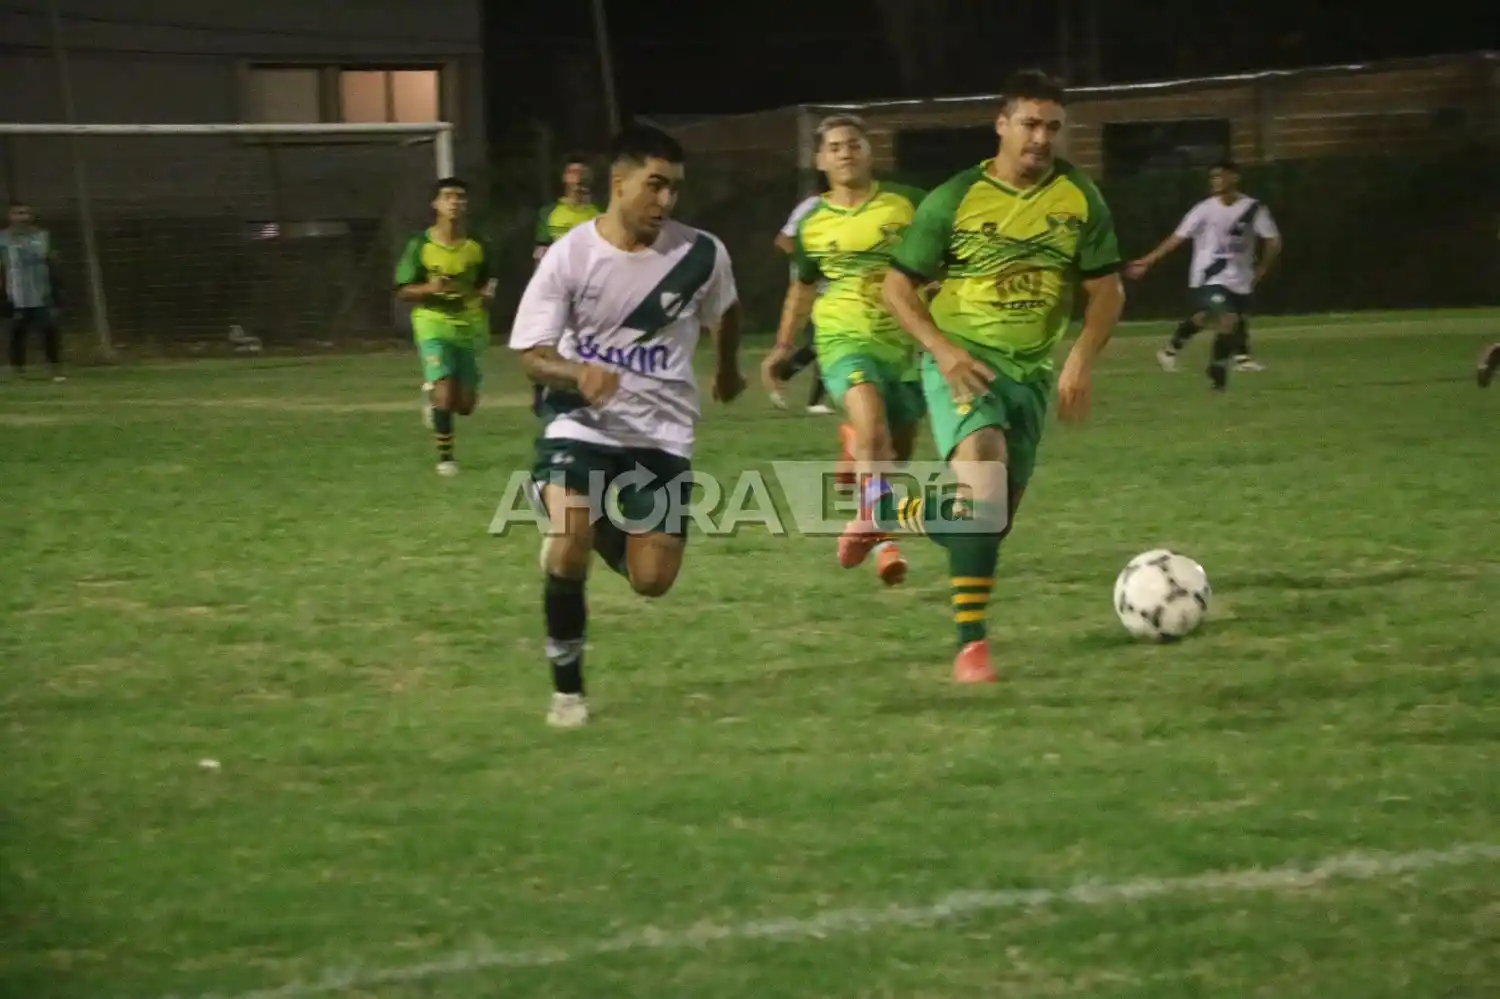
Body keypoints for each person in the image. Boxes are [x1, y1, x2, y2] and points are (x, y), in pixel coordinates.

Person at [871, 69, 1126, 683]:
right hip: (963, 358)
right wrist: (943, 350)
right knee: (982, 491)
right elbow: (895, 287)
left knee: (990, 520)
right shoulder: (954, 197)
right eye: (1031, 124)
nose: (1042, 138)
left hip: (1031, 372)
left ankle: (887, 513)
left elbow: (1107, 290)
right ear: (1002, 125)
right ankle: (971, 648)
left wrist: (1078, 361)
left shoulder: (1080, 197)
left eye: (1053, 127)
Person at [510, 124, 745, 728]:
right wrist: (573, 374)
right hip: (580, 424)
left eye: (674, 190)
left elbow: (728, 310)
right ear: (619, 183)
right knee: (568, 538)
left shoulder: (700, 254)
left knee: (652, 581)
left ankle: (589, 531)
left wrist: (726, 370)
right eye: (655, 186)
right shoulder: (572, 254)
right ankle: (567, 690)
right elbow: (530, 352)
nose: (665, 202)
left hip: (662, 434)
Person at [764, 114, 927, 587]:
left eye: (853, 144)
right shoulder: (812, 221)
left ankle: (854, 450)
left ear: (868, 150)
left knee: (893, 452)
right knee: (872, 421)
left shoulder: (907, 204)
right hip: (842, 339)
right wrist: (781, 346)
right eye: (834, 146)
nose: (845, 152)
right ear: (820, 159)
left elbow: (942, 261)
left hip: (901, 342)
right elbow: (802, 288)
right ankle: (885, 540)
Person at [1125, 160, 1282, 389]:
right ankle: (1221, 367)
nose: (1216, 181)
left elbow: (1273, 240)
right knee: (1228, 318)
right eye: (1213, 177)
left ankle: (1170, 351)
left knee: (1206, 318)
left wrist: (1262, 268)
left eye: (1221, 176)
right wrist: (1147, 261)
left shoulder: (1253, 208)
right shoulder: (1203, 209)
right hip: (1209, 276)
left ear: (1235, 178)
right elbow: (1176, 239)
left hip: (1240, 277)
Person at [394, 177, 496, 476]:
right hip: (432, 322)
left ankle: (434, 399)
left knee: (464, 405)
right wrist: (429, 287)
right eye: (448, 196)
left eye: (461, 197)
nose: (455, 202)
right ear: (435, 204)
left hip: (469, 323)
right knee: (445, 393)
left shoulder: (478, 245)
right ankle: (446, 459)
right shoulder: (420, 245)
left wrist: (488, 292)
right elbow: (402, 290)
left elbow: (488, 279)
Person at [529, 155, 603, 417]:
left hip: (589, 293)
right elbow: (541, 251)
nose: (579, 178)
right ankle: (546, 389)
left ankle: (574, 397)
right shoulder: (549, 213)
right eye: (573, 172)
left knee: (582, 347)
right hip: (558, 289)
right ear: (564, 178)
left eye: (584, 173)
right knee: (552, 342)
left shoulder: (599, 214)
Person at [762, 192, 833, 414]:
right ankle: (810, 397)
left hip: (833, 286)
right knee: (818, 342)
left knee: (824, 341)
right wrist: (808, 266)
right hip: (809, 287)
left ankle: (785, 375)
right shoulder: (814, 205)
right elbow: (784, 240)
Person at [1, 201, 64, 382]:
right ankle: (17, 370)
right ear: (10, 216)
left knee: (50, 330)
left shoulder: (42, 236)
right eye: (17, 213)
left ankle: (55, 369)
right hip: (16, 294)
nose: (22, 217)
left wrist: (57, 288)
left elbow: (52, 261)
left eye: (25, 213)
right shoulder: (3, 239)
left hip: (42, 293)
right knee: (17, 333)